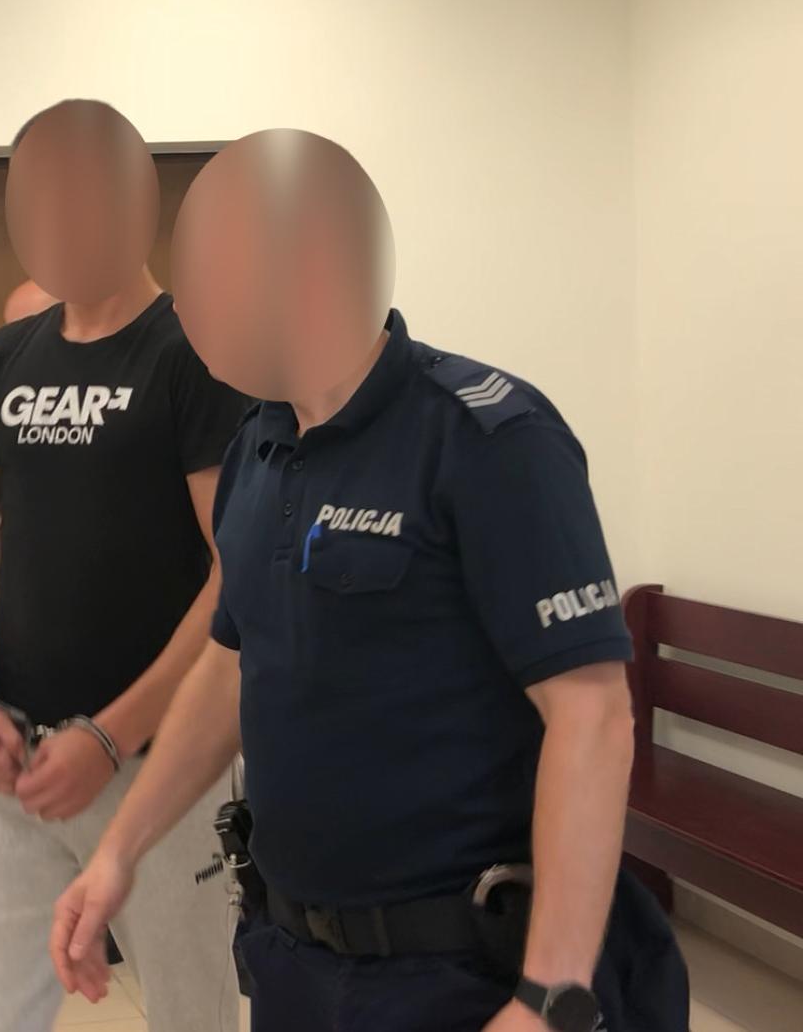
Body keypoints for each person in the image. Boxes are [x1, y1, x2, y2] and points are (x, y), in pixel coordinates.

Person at [49, 129, 690, 1032]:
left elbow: (591, 715)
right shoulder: (256, 451)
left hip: (459, 970)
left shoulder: (486, 440)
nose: (187, 304)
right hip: (294, 963)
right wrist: (121, 851)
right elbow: (230, 667)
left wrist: (549, 996)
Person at [0, 99, 246, 1032]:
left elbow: (237, 575)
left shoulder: (197, 356)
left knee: (193, 1017)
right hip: (11, 771)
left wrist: (111, 735)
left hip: (165, 771)